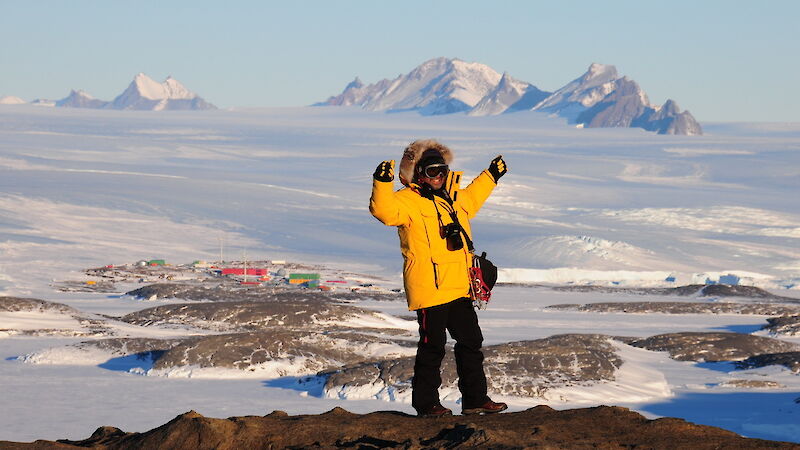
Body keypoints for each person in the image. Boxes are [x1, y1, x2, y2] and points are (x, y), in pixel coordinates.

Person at [369, 139, 508, 417]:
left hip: (458, 285)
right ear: (419, 172)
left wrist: (491, 174)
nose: (439, 177)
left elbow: (475, 195)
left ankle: (475, 400)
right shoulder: (406, 202)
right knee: (432, 347)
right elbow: (383, 211)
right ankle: (426, 404)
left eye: (442, 171)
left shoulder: (454, 198)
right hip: (430, 287)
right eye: (433, 171)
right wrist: (381, 182)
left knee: (471, 341)